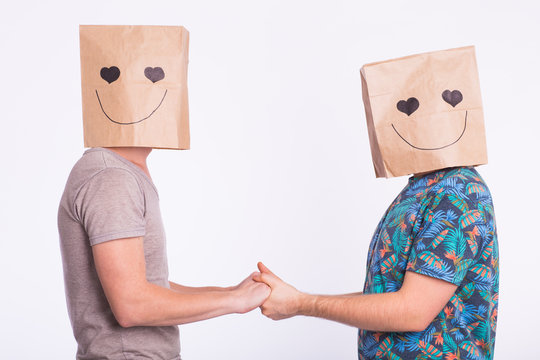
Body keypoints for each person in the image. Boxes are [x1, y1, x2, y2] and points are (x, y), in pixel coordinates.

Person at [254, 47, 499, 360]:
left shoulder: (457, 193)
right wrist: (299, 300)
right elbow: (389, 298)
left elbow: (412, 311)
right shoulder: (423, 189)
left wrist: (303, 303)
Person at [58, 25, 270, 360]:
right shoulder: (111, 176)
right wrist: (234, 302)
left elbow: (148, 286)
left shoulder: (121, 171)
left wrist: (231, 291)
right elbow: (132, 305)